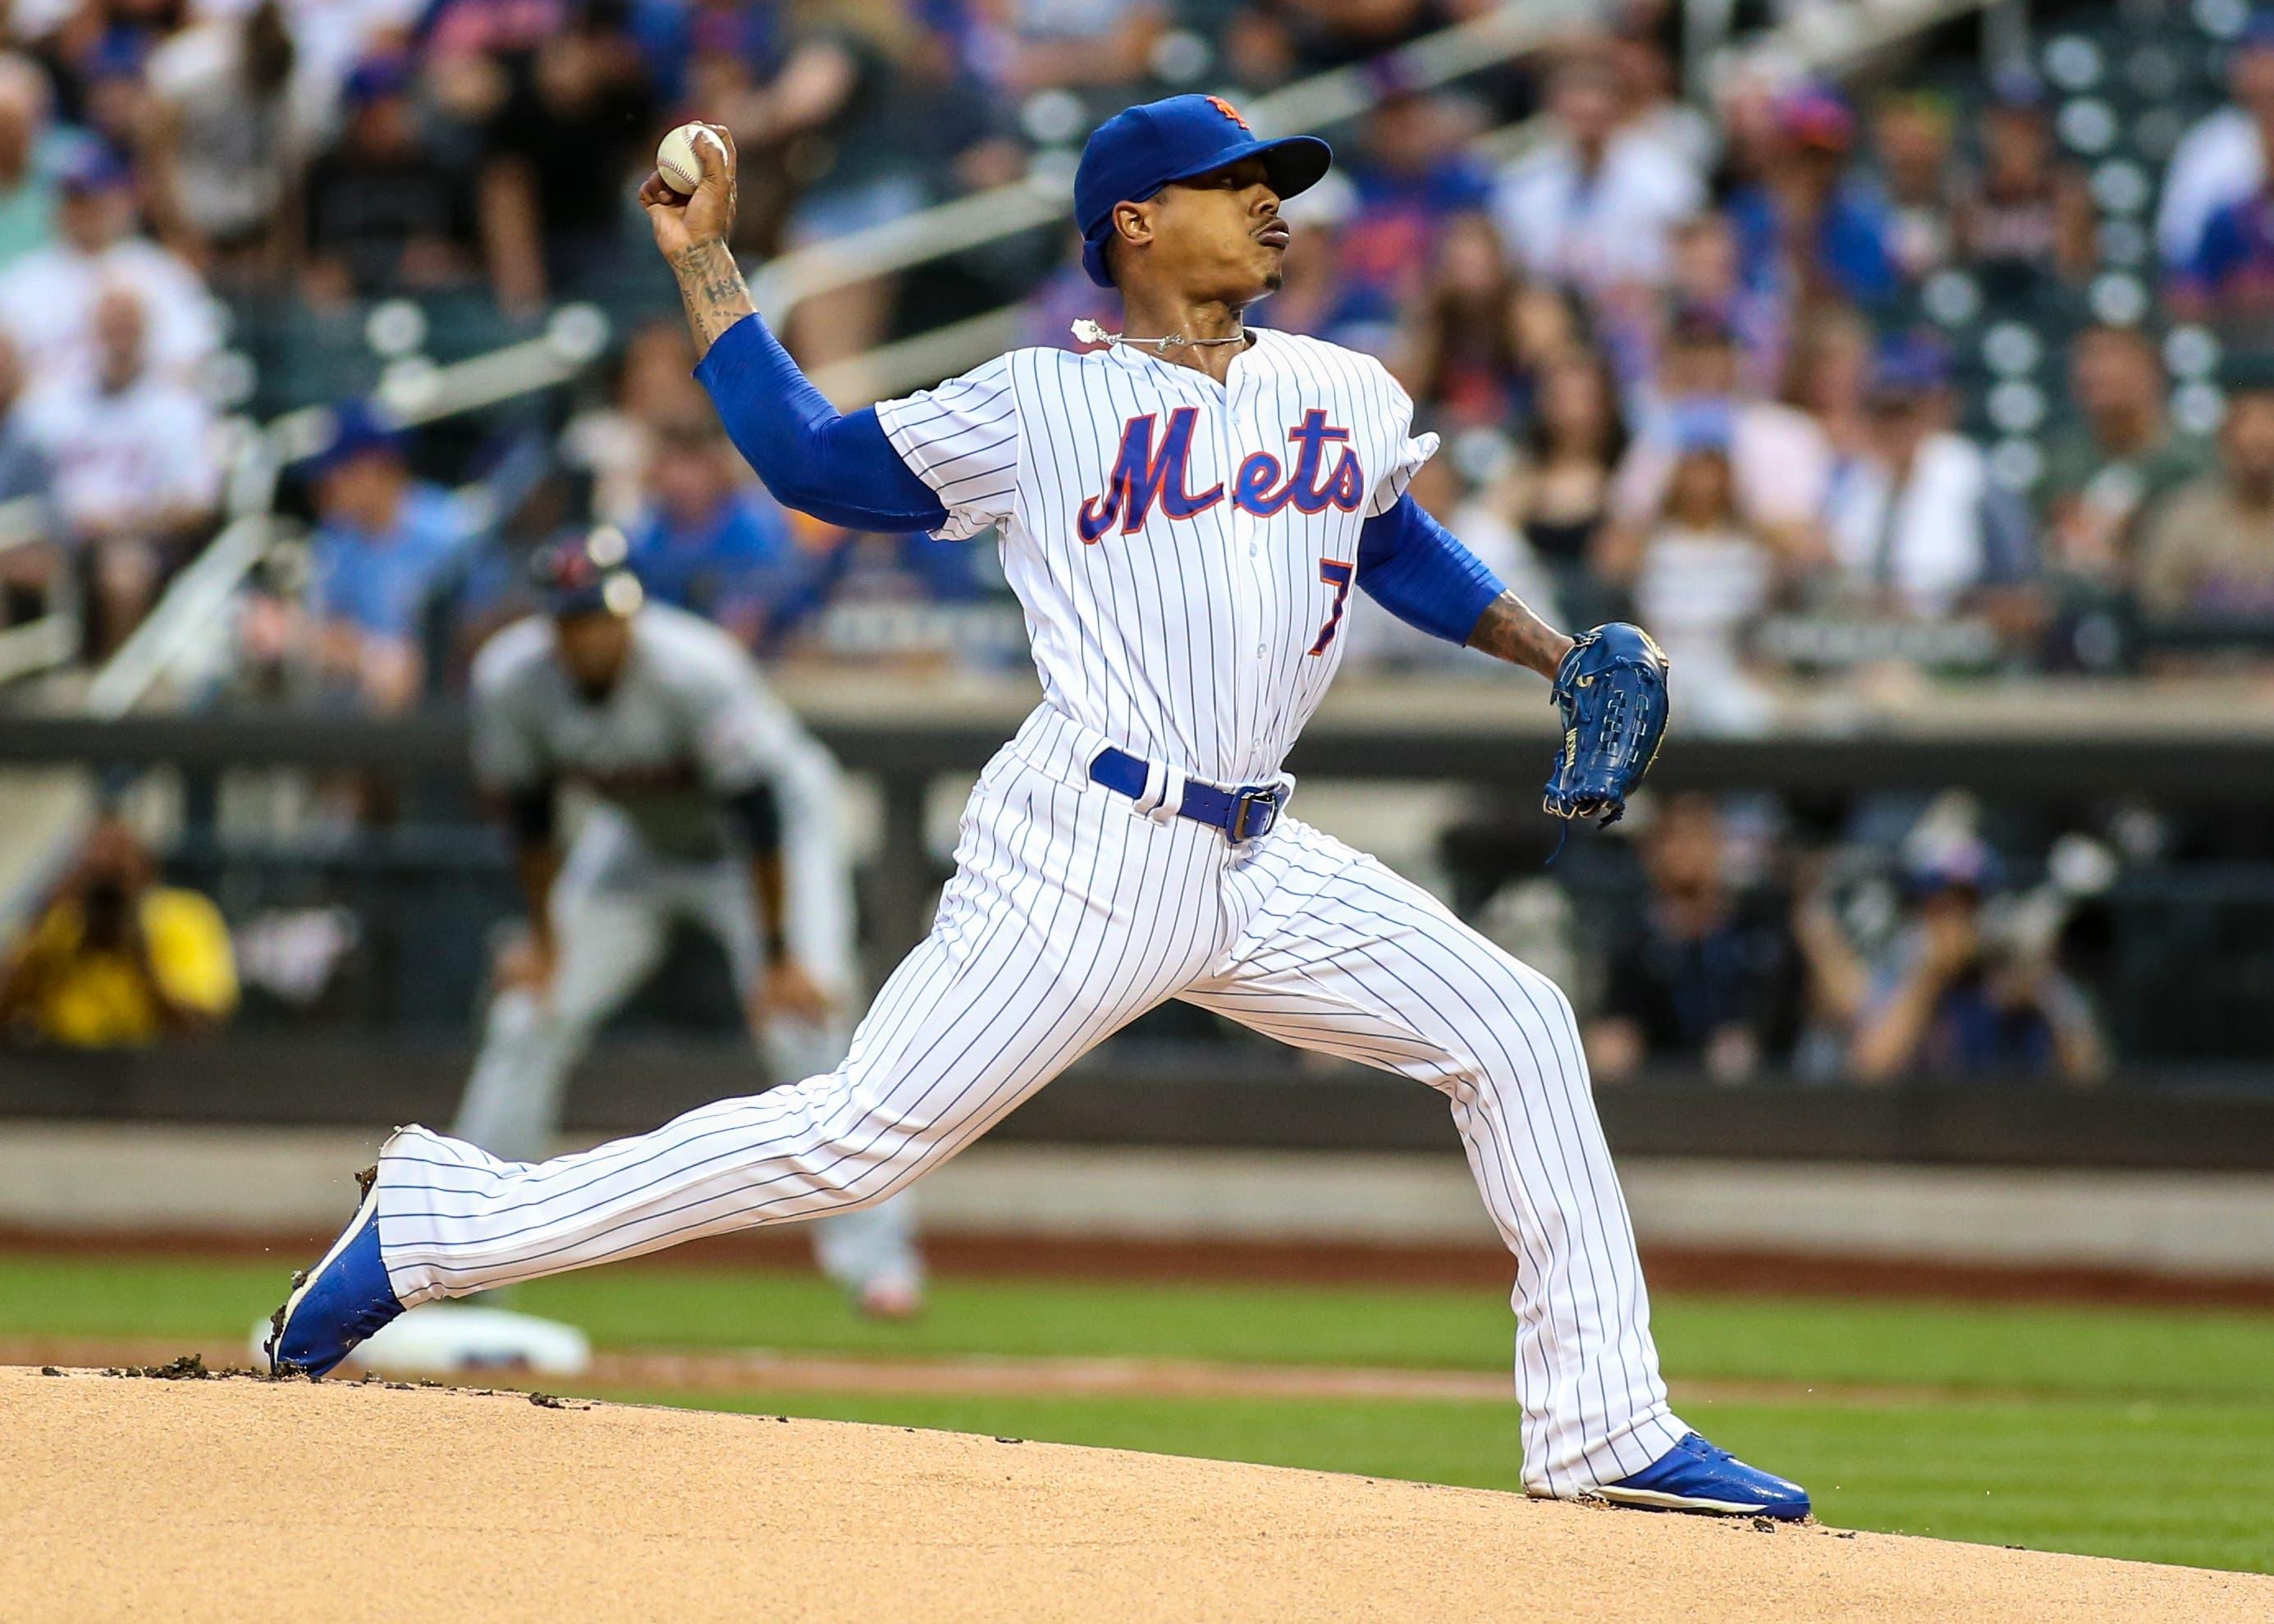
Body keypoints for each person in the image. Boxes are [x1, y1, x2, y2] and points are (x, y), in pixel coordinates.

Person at [268, 96, 1809, 1521]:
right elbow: (812, 460)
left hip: (1258, 854)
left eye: (1280, 187)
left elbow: (1393, 543)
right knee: (855, 1142)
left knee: (1519, 1025)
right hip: (1091, 841)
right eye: (1238, 184)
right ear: (1133, 221)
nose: (1275, 206)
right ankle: (436, 1226)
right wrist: (711, 262)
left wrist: (1551, 653)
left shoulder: (1343, 385)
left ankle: (1604, 1426)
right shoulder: (1041, 404)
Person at [451, 528, 924, 1317]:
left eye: (603, 616)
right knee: (527, 1013)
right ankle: (469, 1254)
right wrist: (542, 942)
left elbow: (759, 813)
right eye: (574, 620)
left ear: (630, 611)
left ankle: (878, 1263)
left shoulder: (693, 666)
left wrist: (777, 957)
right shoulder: (512, 679)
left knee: (807, 1021)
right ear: (550, 625)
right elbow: (529, 822)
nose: (592, 635)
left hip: (768, 846)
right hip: (637, 844)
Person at [19, 284, 220, 656]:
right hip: (58, 534)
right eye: (109, 328)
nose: (118, 340)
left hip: (143, 538)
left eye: (127, 328)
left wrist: (126, 522)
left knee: (124, 570)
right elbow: (24, 483)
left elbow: (198, 506)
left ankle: (113, 693)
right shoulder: (52, 405)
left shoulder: (177, 408)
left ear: (146, 333)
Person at [1845, 837, 2105, 1086]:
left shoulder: (2015, 965)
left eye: (1967, 906)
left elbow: (2088, 1074)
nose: (1955, 922)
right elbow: (1868, 1069)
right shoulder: (1901, 966)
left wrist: (2041, 996)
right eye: (1942, 907)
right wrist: (1931, 977)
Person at [1586, 794, 1799, 1086]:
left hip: (1764, 1095)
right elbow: (1617, 1028)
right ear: (1654, 851)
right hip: (1662, 1095)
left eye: (1699, 836)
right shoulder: (1636, 943)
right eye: (1675, 838)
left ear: (1720, 845)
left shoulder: (1758, 931)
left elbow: (1786, 1014)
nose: (1687, 851)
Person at [0, 812, 237, 1047]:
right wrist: (42, 917)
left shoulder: (181, 918)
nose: (107, 888)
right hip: (64, 1070)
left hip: (158, 1073)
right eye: (95, 871)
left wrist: (142, 960)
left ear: (146, 868)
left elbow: (202, 1034)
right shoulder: (61, 924)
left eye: (118, 869)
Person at [299, 401, 474, 714]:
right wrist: (373, 657)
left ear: (375, 468)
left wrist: (416, 663)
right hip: (366, 693)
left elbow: (480, 623)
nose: (327, 485)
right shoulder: (337, 539)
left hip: (448, 692)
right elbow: (322, 630)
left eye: (341, 471)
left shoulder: (450, 529)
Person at [2038, 325, 2211, 586]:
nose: (2097, 370)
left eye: (2114, 355)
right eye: (2087, 356)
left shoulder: (2196, 461)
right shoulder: (2058, 461)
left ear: (2154, 369)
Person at [2136, 364, 2274, 627]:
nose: (2259, 435)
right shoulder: (2181, 517)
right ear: (2225, 434)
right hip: (2207, 667)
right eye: (2245, 421)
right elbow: (2155, 628)